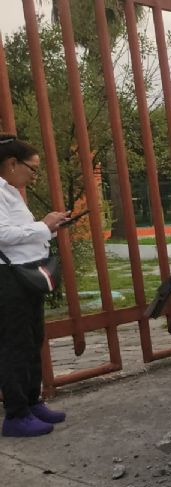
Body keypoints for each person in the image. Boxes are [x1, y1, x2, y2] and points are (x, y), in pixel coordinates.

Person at [0, 134, 69, 437]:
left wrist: (49, 228)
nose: (35, 175)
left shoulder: (11, 191)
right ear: (12, 163)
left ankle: (32, 401)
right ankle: (16, 414)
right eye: (32, 168)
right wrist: (44, 225)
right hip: (7, 278)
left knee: (33, 338)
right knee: (15, 344)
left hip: (25, 276)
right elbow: (3, 234)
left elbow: (19, 233)